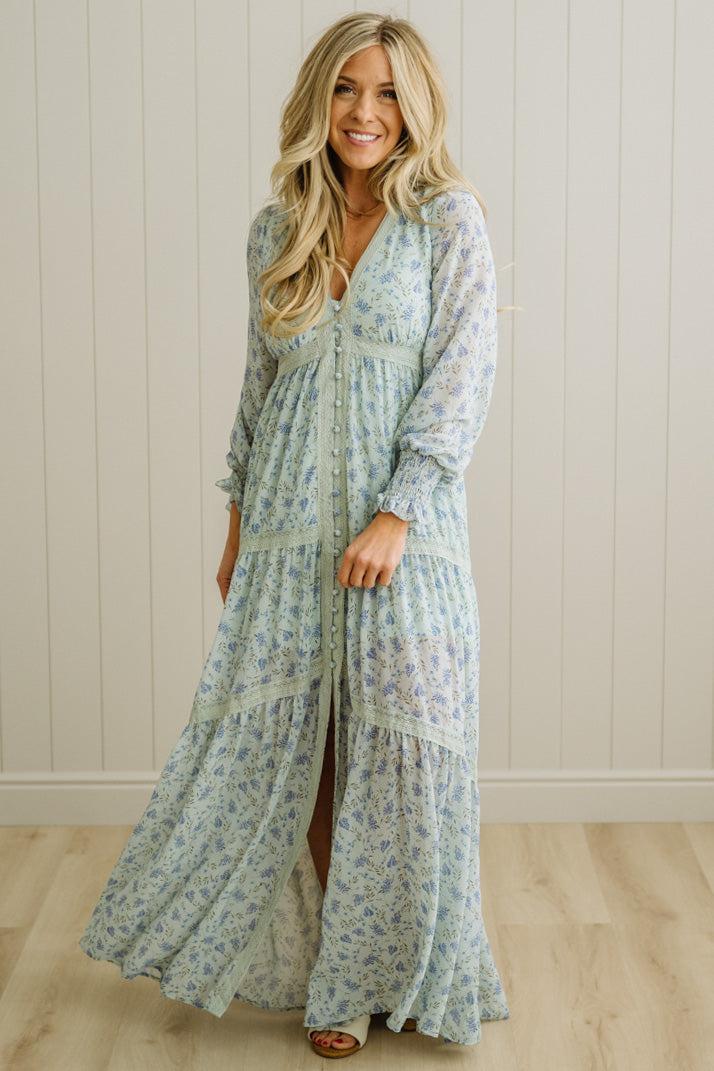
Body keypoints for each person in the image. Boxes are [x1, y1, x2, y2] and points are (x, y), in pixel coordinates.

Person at [79, 11, 510, 1059]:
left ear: (416, 109)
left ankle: (406, 966)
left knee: (405, 748)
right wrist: (235, 525)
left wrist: (397, 513)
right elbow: (259, 391)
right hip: (281, 535)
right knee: (302, 753)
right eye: (347, 89)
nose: (365, 112)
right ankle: (340, 977)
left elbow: (464, 377)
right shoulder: (279, 231)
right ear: (319, 99)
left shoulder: (447, 222)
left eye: (388, 93)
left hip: (402, 537)